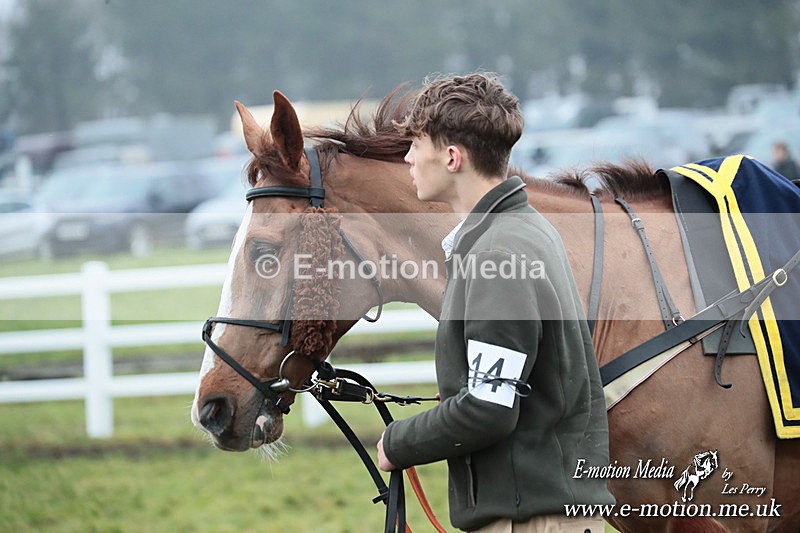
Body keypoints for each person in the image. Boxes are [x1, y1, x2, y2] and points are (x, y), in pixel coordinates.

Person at [376, 72, 614, 532]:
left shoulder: (496, 253)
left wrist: (398, 443)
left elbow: (489, 407)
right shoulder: (521, 230)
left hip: (531, 520)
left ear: (451, 157)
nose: (407, 158)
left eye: (416, 144)